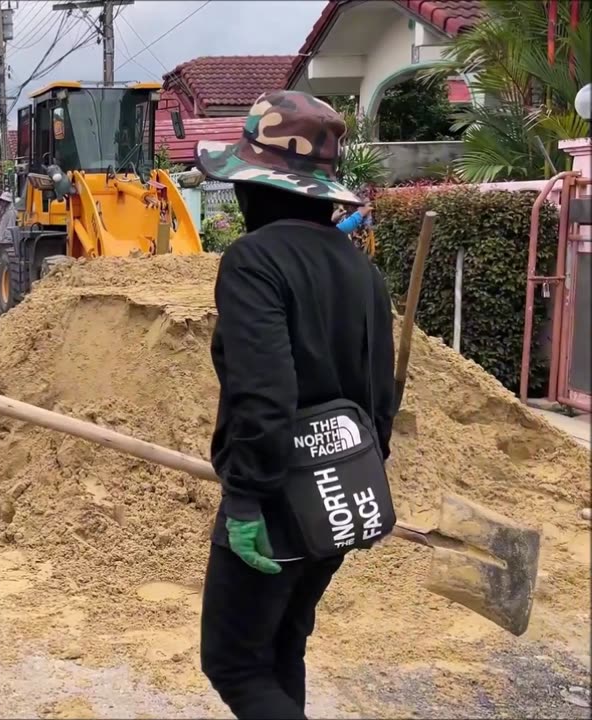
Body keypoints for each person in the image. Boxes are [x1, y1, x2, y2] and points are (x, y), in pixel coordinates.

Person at [193, 90, 396, 720]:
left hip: (278, 497)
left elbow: (264, 390)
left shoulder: (254, 259)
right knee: (282, 648)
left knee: (234, 663)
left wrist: (247, 497)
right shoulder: (362, 270)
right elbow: (379, 397)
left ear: (260, 186)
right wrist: (361, 476)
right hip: (340, 492)